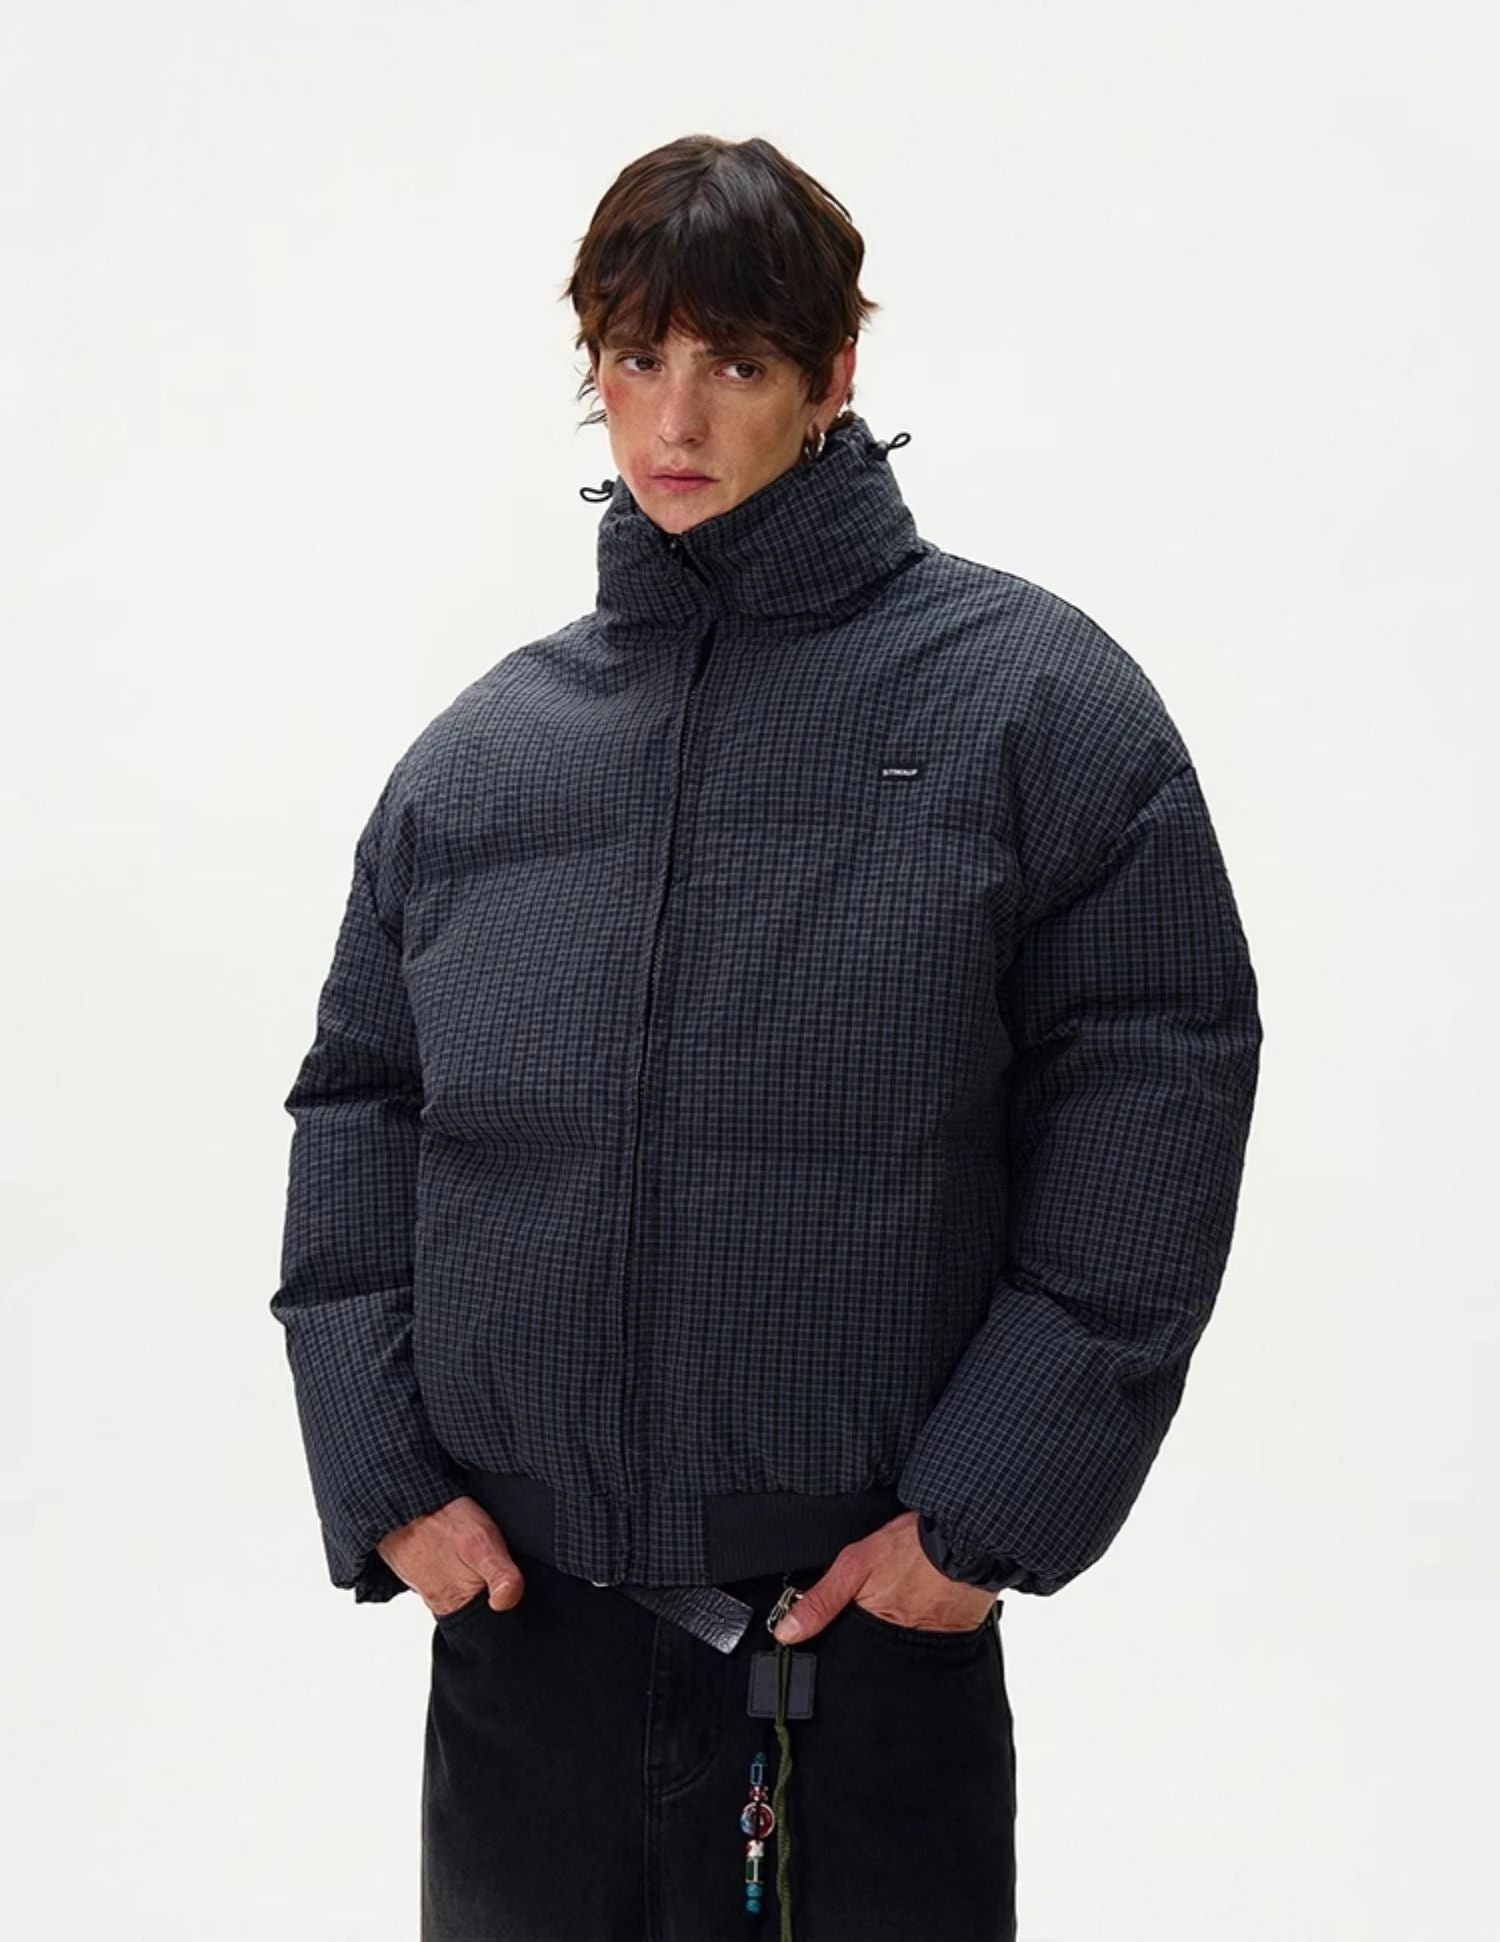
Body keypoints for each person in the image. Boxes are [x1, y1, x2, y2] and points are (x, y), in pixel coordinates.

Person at [271, 132, 1263, 1942]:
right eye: (635, 356)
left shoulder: (1036, 710)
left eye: (733, 360)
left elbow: (1154, 1105)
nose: (676, 415)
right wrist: (388, 1479)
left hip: (856, 1649)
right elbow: (362, 1107)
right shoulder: (482, 760)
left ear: (834, 372)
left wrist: (975, 1525)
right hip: (520, 1654)